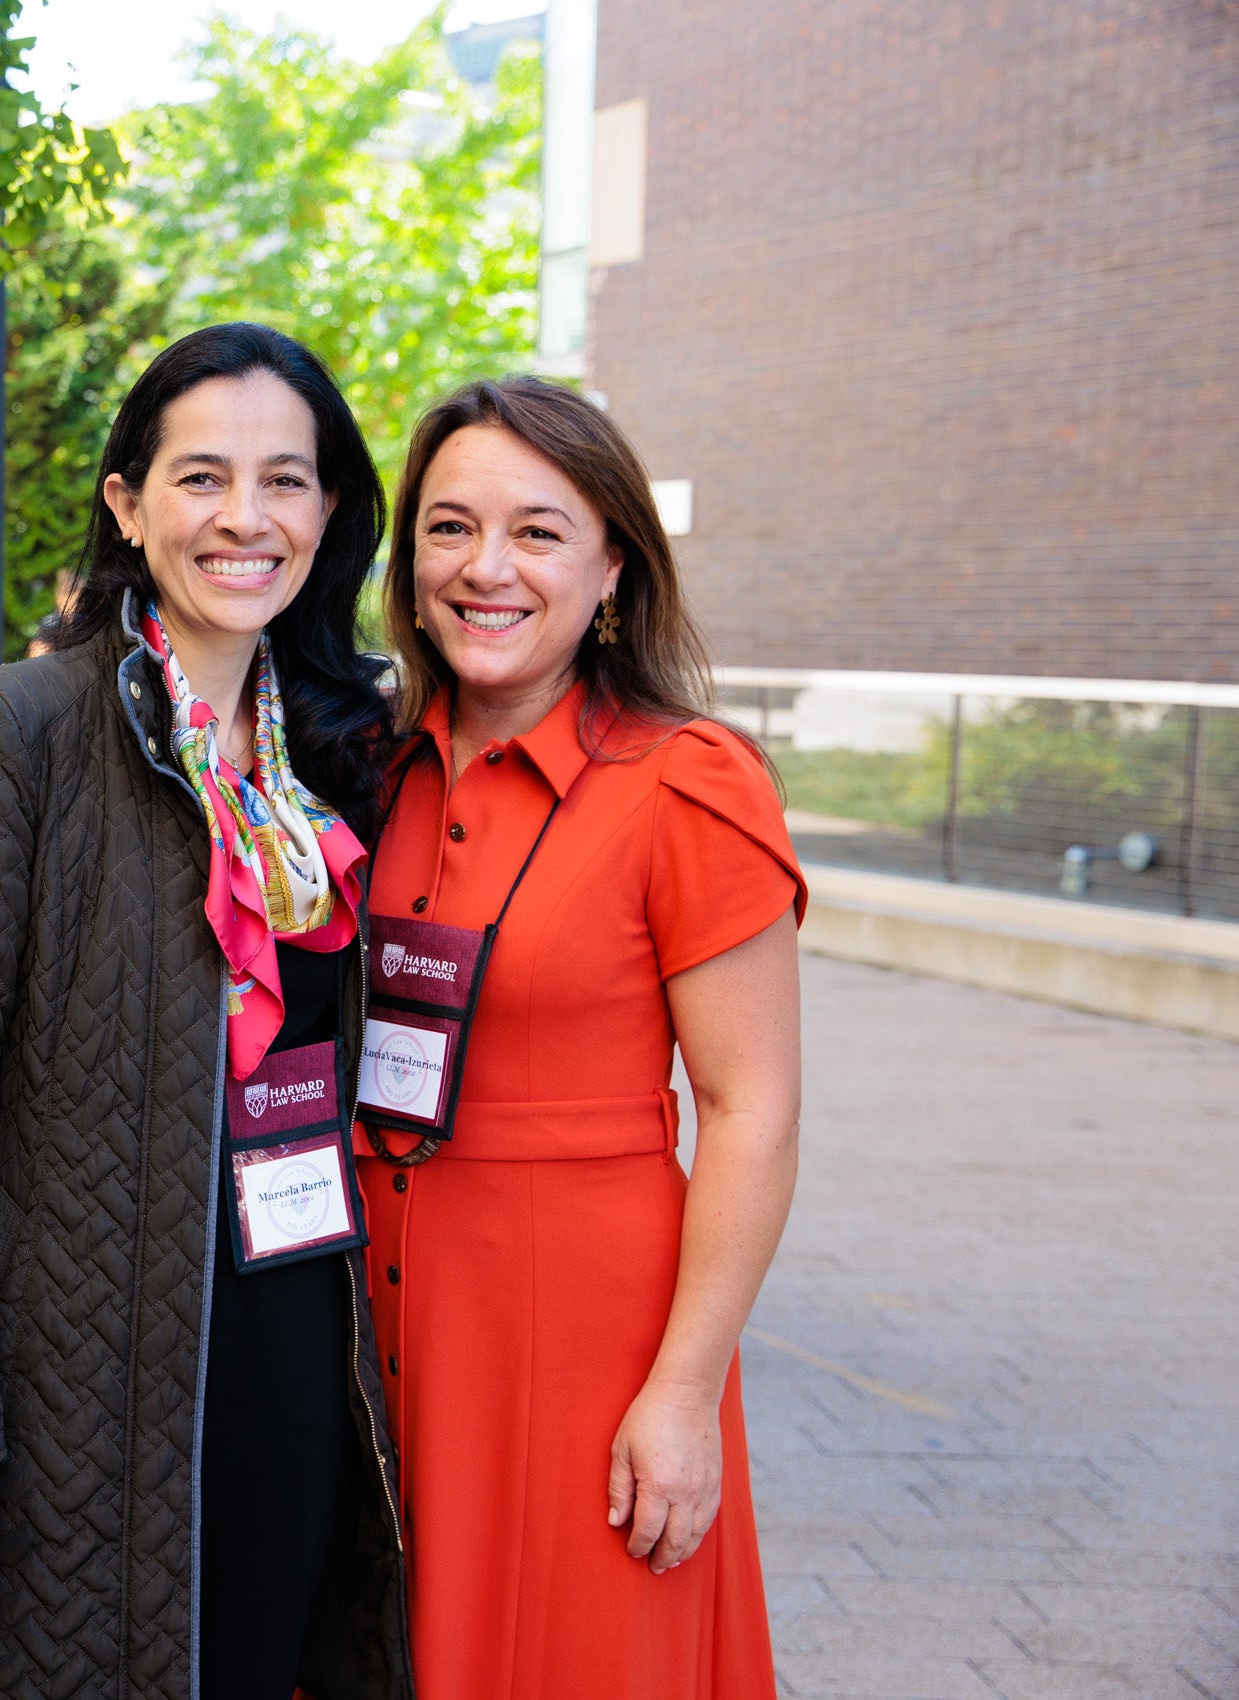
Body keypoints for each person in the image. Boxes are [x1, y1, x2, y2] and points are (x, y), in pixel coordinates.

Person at [0, 323, 413, 1700]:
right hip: (69, 1388)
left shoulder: (336, 757)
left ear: (329, 512)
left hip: (286, 1349)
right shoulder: (16, 735)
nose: (242, 519)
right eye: (200, 479)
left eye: (284, 481)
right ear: (128, 507)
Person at [352, 376, 802, 1698]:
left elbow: (751, 1113)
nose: (485, 568)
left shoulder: (687, 782)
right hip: (366, 1311)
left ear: (611, 562)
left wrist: (683, 1390)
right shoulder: (358, 765)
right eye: (447, 528)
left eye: (537, 532)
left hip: (575, 1336)